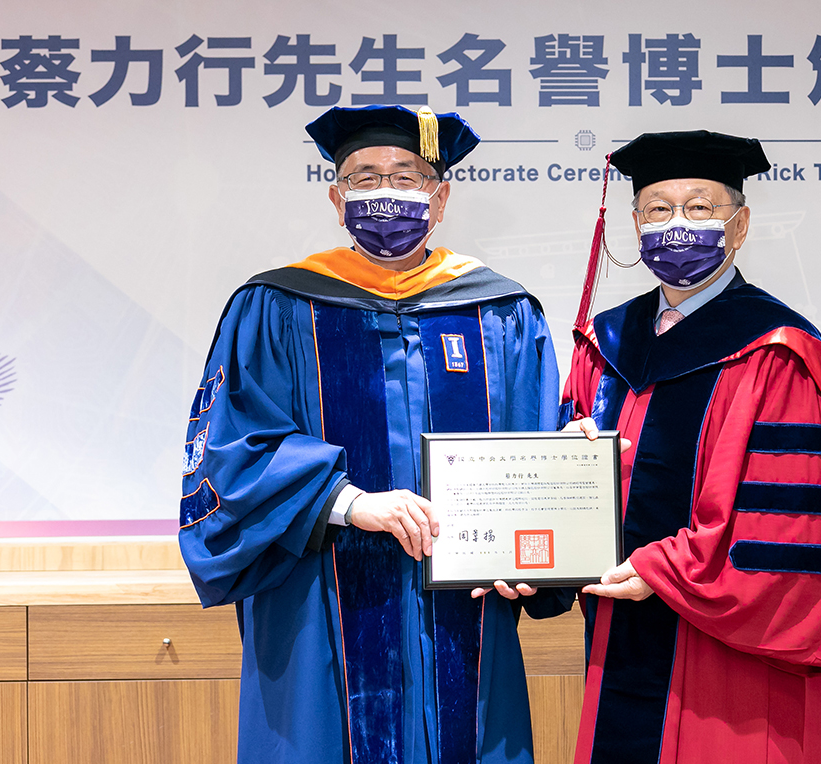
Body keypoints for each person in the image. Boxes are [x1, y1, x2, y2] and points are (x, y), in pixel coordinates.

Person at [179, 104, 569, 764]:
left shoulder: (502, 311)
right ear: (336, 199)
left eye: (406, 176)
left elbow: (535, 449)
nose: (385, 194)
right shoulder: (276, 305)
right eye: (363, 178)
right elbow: (229, 450)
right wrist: (350, 503)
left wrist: (538, 551)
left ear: (440, 198)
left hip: (462, 603)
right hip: (319, 602)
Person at [562, 130, 821, 763]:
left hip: (725, 647)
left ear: (740, 224)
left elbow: (784, 519)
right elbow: (572, 483)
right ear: (635, 223)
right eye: (658, 209)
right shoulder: (608, 342)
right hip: (620, 625)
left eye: (699, 208)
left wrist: (661, 570)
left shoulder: (776, 349)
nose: (677, 225)